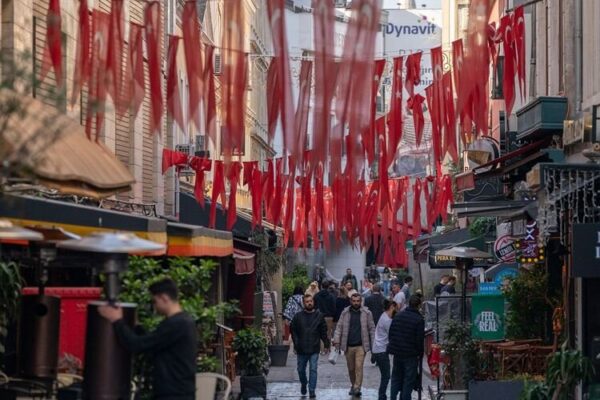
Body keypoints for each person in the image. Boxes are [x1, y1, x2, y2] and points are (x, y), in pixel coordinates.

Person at [98, 278, 197, 400]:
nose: (154, 307)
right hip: (177, 392)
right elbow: (152, 343)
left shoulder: (177, 324)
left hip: (174, 394)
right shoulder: (182, 322)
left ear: (164, 298)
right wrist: (137, 327)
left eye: (154, 301)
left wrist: (116, 320)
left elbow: (137, 345)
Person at [333, 293, 376, 397]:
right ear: (351, 301)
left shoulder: (367, 313)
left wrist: (373, 344)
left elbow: (372, 329)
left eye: (358, 301)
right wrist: (336, 340)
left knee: (358, 367)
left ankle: (357, 388)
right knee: (351, 368)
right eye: (354, 301)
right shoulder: (345, 313)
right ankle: (353, 385)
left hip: (361, 346)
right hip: (348, 346)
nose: (356, 303)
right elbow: (339, 327)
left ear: (361, 301)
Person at [290, 294, 330, 399]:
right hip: (301, 348)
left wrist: (326, 344)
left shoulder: (319, 316)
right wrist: (296, 343)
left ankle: (312, 390)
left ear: (313, 302)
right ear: (304, 303)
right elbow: (293, 330)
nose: (309, 303)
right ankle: (304, 383)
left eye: (311, 301)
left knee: (313, 369)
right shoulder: (298, 316)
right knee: (300, 370)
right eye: (307, 301)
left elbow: (323, 331)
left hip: (314, 348)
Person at [387, 295, 425, 400]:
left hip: (397, 353)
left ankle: (393, 397)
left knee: (396, 377)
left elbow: (391, 333)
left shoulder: (398, 316)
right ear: (418, 306)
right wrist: (420, 353)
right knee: (409, 380)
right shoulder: (419, 319)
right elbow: (419, 340)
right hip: (410, 355)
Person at [372, 299, 397, 400]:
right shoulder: (387, 320)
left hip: (378, 349)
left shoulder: (384, 316)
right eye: (395, 308)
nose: (396, 310)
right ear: (391, 307)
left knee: (385, 375)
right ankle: (382, 396)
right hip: (381, 350)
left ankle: (382, 396)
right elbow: (392, 335)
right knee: (386, 376)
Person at [313, 280, 336, 353]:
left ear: (321, 286)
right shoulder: (331, 296)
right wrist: (333, 316)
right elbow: (333, 307)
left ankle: (321, 349)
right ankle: (328, 348)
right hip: (329, 316)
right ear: (328, 286)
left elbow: (314, 306)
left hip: (319, 316)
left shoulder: (316, 296)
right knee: (328, 333)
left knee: (320, 332)